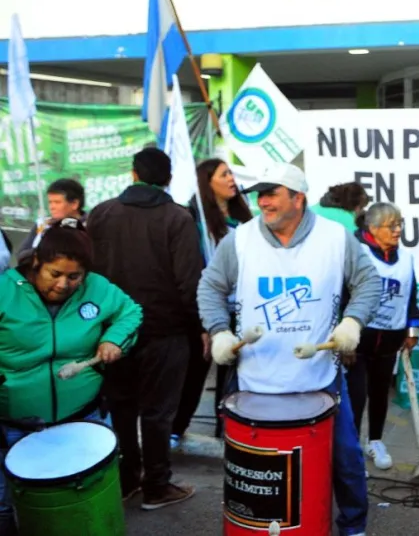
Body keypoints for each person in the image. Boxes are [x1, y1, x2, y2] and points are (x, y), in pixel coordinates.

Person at [198, 162, 380, 536]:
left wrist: (352, 322)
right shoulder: (240, 239)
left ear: (298, 197)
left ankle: (354, 527)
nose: (263, 201)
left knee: (345, 459)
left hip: (320, 379)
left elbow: (368, 282)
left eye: (272, 193)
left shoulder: (336, 237)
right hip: (253, 380)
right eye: (259, 194)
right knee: (255, 471)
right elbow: (209, 287)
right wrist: (218, 331)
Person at [0, 219, 142, 535]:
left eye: (74, 277)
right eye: (55, 274)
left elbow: (130, 312)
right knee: (6, 505)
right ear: (36, 262)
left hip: (84, 416)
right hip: (14, 426)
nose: (64, 284)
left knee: (90, 498)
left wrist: (113, 339)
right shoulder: (5, 291)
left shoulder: (97, 288)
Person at [86, 148, 204, 509]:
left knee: (121, 407)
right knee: (157, 412)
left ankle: (127, 479)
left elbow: (89, 274)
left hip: (114, 333)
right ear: (168, 179)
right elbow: (189, 282)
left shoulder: (101, 213)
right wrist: (200, 326)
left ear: (133, 174)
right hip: (164, 332)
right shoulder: (178, 218)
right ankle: (157, 485)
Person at [172, 159, 254, 445]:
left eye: (231, 173)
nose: (232, 179)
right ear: (207, 183)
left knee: (234, 375)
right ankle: (175, 428)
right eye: (224, 174)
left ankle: (229, 430)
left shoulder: (246, 222)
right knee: (195, 373)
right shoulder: (193, 222)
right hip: (206, 310)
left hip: (241, 309)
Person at [346, 202, 419, 471]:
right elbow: (344, 294)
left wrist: (412, 330)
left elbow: (411, 295)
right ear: (373, 229)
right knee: (355, 397)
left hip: (390, 338)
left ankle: (374, 440)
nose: (398, 230)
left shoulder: (406, 258)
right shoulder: (358, 253)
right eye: (392, 225)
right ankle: (350, 451)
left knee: (380, 394)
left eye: (400, 224)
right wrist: (345, 337)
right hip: (359, 340)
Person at [17, 178, 87, 263]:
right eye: (50, 202)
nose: (52, 207)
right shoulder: (43, 224)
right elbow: (21, 255)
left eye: (57, 202)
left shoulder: (89, 226)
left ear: (74, 204)